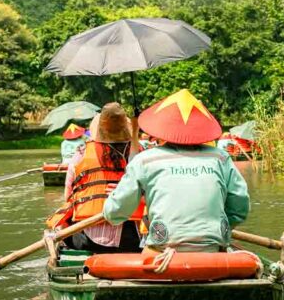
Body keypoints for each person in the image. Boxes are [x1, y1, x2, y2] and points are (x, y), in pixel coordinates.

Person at [103, 89, 249, 252]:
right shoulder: (221, 159)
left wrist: (110, 206)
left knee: (144, 250)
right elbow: (240, 206)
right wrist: (217, 225)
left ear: (162, 127)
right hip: (213, 247)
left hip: (163, 248)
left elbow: (115, 213)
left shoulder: (145, 160)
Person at [63, 102, 143, 253]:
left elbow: (68, 197)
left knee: (61, 223)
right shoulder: (142, 153)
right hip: (136, 240)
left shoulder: (81, 153)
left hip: (92, 241)